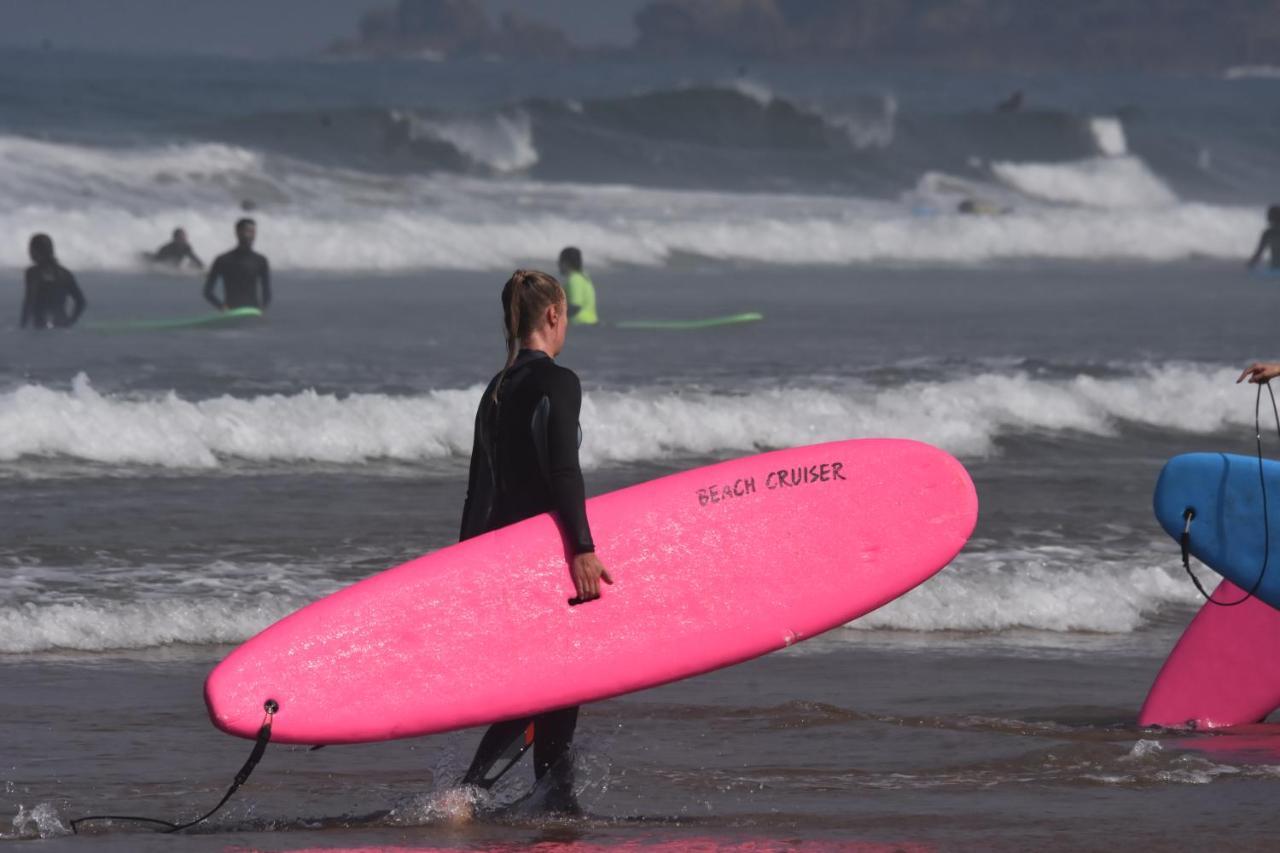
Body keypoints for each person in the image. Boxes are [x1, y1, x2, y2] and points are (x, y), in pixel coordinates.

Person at [457, 268, 612, 813]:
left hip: (500, 558)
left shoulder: (494, 391)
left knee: (550, 683)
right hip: (545, 558)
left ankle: (544, 796)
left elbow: (478, 491)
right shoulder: (558, 380)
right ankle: (479, 794)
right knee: (555, 684)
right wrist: (583, 547)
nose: (566, 323)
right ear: (552, 315)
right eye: (565, 314)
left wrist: (466, 570)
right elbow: (564, 472)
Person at [20, 233, 85, 329]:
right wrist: (71, 322)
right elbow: (81, 302)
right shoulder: (65, 273)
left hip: (41, 326)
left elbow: (30, 300)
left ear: (36, 251)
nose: (29, 252)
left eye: (31, 249)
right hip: (62, 324)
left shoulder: (32, 273)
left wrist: (22, 325)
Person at [204, 219, 270, 311]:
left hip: (253, 312)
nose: (251, 235)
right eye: (248, 231)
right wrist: (221, 306)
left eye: (253, 232)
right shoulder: (222, 260)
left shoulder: (261, 260)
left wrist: (262, 308)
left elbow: (267, 292)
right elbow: (207, 291)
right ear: (237, 232)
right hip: (231, 312)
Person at [557, 247, 598, 326]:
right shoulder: (584, 277)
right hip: (590, 322)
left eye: (559, 262)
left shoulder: (575, 280)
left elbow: (575, 307)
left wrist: (556, 316)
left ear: (566, 263)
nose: (558, 265)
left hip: (581, 323)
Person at [1247, 205, 1280, 271]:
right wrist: (1250, 264)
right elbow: (1259, 253)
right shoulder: (1267, 234)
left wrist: (1250, 264)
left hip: (1275, 269)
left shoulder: (1268, 234)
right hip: (1275, 269)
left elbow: (1259, 253)